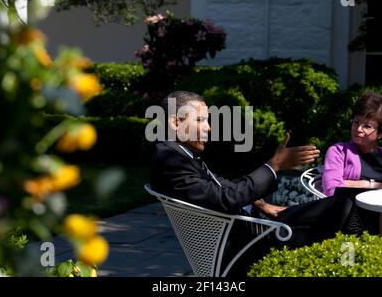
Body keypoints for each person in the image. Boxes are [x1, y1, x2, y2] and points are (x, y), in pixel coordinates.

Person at [150, 91, 353, 275]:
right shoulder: (171, 161)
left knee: (342, 203)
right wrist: (274, 166)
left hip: (252, 227)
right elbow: (224, 199)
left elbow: (218, 186)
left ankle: (353, 260)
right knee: (341, 217)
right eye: (201, 120)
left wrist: (261, 203)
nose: (209, 128)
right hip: (248, 245)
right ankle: (353, 263)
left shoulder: (177, 154)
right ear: (175, 123)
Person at [322, 92, 382, 235]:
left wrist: (367, 184)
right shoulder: (338, 152)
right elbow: (333, 190)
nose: (358, 129)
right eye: (356, 122)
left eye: (366, 126)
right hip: (356, 218)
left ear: (380, 133)